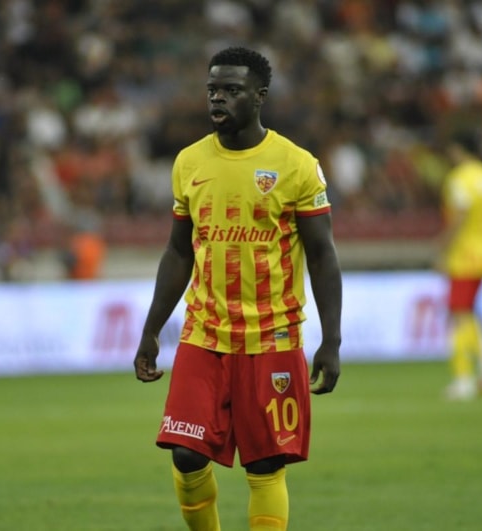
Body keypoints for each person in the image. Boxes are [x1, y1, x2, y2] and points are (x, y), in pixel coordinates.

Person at [133, 46, 342, 530]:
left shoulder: (296, 164)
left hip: (272, 336)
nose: (217, 99)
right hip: (204, 334)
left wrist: (331, 340)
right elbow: (178, 252)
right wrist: (151, 329)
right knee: (186, 453)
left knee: (265, 464)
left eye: (231, 90)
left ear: (260, 96)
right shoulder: (189, 162)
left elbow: (323, 256)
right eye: (212, 90)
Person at [435, 129, 482, 401]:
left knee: (458, 314)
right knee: (465, 311)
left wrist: (442, 247)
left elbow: (460, 215)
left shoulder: (460, 179)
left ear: (458, 149)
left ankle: (464, 378)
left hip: (465, 255)